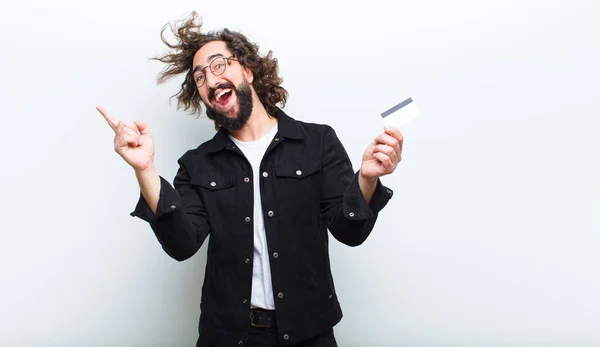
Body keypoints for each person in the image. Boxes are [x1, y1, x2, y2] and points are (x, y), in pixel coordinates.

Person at [97, 11, 403, 347]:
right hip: (228, 337)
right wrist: (145, 169)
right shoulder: (198, 164)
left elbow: (350, 231)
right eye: (200, 78)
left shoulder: (318, 143)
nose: (211, 81)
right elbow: (182, 244)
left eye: (218, 65)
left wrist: (368, 181)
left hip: (309, 333)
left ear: (247, 69)